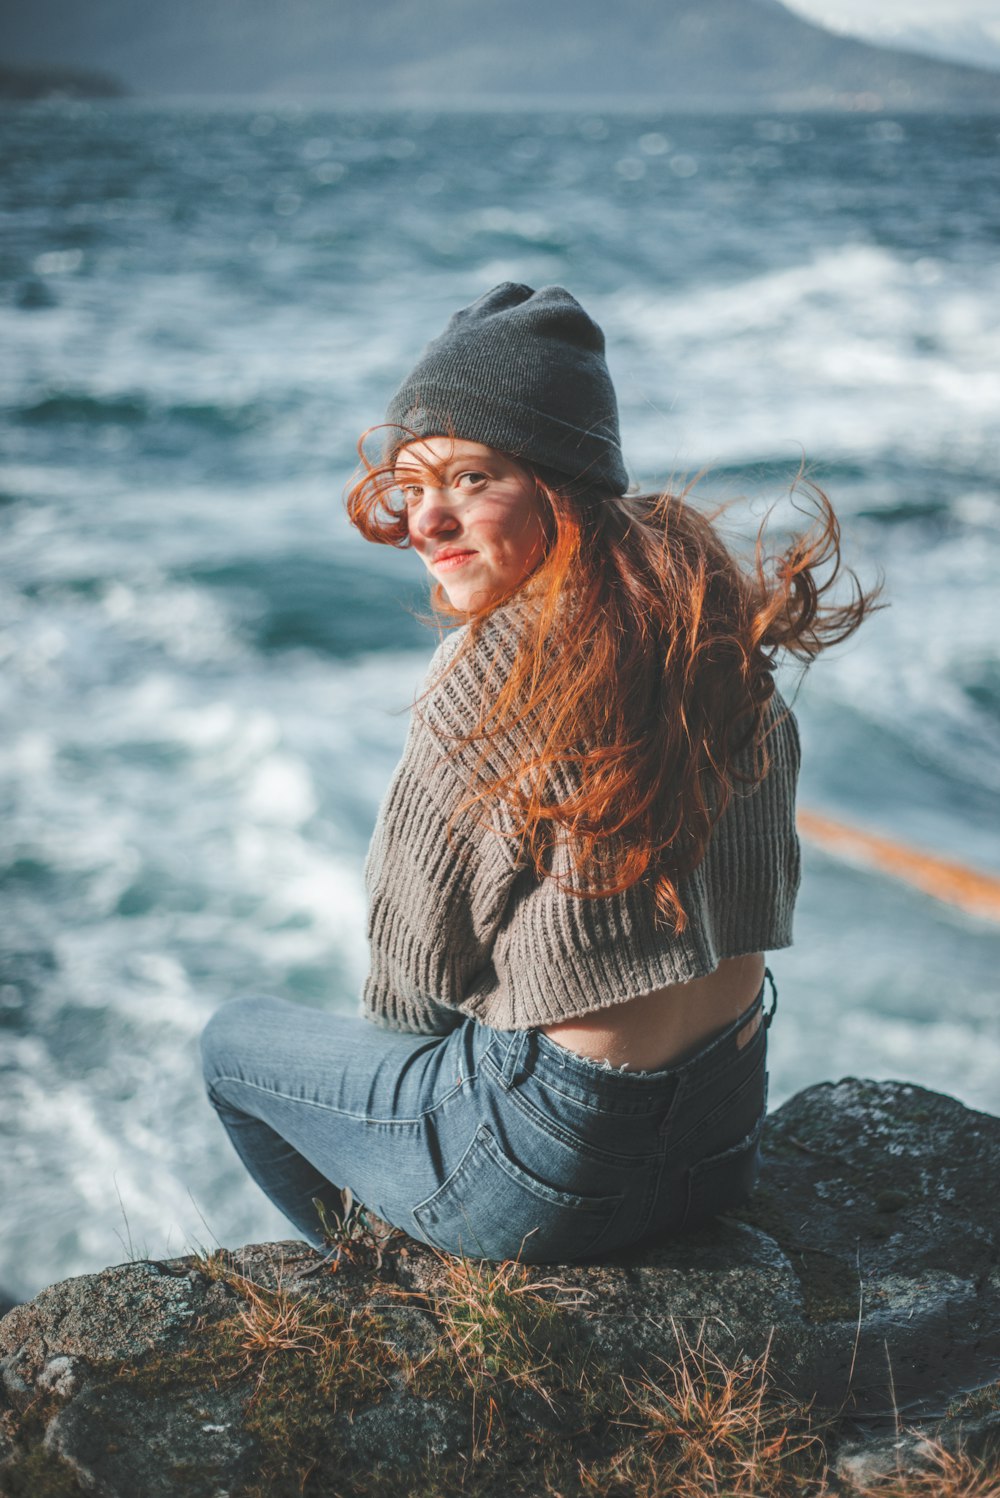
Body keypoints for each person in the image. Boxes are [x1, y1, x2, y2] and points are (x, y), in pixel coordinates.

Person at [200, 283, 875, 1265]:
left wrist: (419, 1101)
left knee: (232, 1043)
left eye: (473, 478)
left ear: (561, 482)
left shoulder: (494, 671)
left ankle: (400, 1302)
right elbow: (767, 884)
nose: (426, 522)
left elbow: (413, 982)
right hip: (723, 1135)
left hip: (547, 1168)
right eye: (412, 485)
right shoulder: (715, 632)